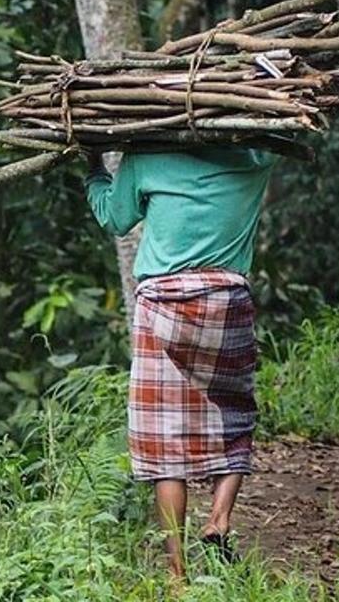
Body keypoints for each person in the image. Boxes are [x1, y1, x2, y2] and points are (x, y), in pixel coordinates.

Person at [84, 145, 279, 581]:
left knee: (163, 441)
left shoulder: (145, 157)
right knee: (234, 415)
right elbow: (279, 129)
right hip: (225, 300)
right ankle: (219, 520)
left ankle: (177, 573)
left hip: (161, 307)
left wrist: (93, 166)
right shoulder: (256, 156)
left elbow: (114, 219)